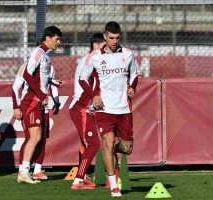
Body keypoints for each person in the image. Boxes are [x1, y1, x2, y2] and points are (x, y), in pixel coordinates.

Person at [79, 21, 138, 197]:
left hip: (124, 108)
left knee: (127, 148)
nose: (114, 41)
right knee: (108, 140)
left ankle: (108, 149)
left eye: (117, 38)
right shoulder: (95, 56)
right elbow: (83, 78)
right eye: (111, 38)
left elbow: (134, 74)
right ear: (105, 36)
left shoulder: (128, 54)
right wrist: (93, 96)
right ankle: (113, 186)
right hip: (104, 108)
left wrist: (133, 87)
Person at [12, 26, 62, 184]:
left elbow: (40, 77)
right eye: (57, 39)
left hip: (38, 101)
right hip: (31, 101)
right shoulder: (38, 52)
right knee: (34, 137)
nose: (58, 43)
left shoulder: (46, 56)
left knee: (38, 137)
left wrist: (53, 81)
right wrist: (41, 95)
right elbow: (27, 73)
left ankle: (27, 171)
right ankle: (24, 172)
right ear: (48, 38)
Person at [69, 33, 105, 190]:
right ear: (93, 46)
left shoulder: (95, 60)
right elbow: (83, 81)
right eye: (97, 44)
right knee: (93, 143)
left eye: (101, 44)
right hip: (81, 107)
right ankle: (78, 180)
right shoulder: (89, 60)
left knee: (86, 143)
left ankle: (82, 176)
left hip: (86, 108)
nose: (99, 47)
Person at [16, 65, 61, 181]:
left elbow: (52, 85)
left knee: (42, 139)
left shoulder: (50, 66)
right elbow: (16, 86)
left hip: (43, 107)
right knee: (31, 137)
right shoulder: (27, 66)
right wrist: (16, 106)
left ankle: (37, 170)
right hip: (30, 106)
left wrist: (56, 101)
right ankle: (22, 169)